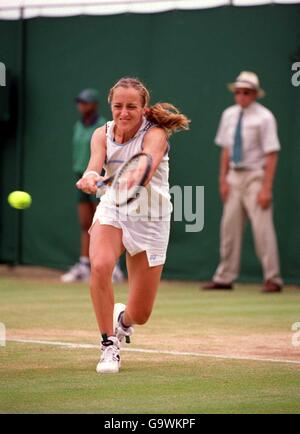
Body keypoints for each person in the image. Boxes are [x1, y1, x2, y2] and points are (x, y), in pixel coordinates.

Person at [76, 77, 190, 373]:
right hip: (114, 209)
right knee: (99, 264)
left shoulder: (156, 135)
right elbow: (93, 164)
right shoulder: (101, 134)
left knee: (141, 314)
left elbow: (143, 171)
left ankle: (123, 322)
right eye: (118, 106)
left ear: (143, 108)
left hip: (152, 219)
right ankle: (108, 345)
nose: (124, 112)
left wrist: (108, 179)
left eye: (131, 106)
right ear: (110, 107)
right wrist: (90, 177)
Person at [203, 71, 283, 293]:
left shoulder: (265, 117)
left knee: (262, 229)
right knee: (229, 227)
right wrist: (223, 180)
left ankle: (273, 279)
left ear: (255, 94)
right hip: (234, 176)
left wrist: (267, 187)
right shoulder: (229, 114)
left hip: (256, 176)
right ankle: (224, 277)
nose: (241, 96)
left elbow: (271, 153)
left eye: (246, 92)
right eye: (238, 92)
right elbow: (226, 150)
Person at [61, 88, 124, 283]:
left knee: (105, 224)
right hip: (82, 178)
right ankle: (84, 264)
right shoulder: (78, 126)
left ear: (95, 105)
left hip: (101, 180)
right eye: (79, 102)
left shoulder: (104, 128)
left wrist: (98, 178)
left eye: (85, 102)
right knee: (85, 224)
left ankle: (114, 268)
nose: (81, 105)